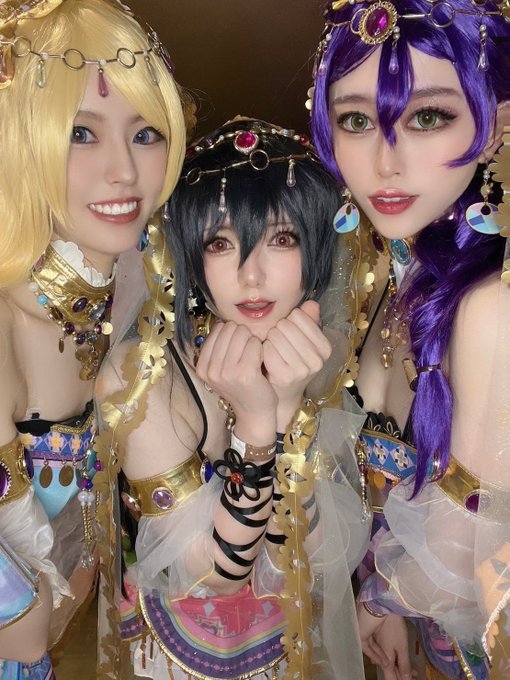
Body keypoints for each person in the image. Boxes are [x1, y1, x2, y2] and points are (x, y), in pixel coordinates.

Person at [98, 118, 370, 679]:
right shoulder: (142, 375)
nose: (252, 275)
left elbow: (313, 559)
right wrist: (256, 424)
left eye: (282, 238)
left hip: (284, 650)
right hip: (174, 656)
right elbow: (212, 577)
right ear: (190, 256)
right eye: (220, 244)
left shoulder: (316, 355)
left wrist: (289, 407)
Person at [309, 0, 510, 678]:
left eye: (427, 117)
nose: (384, 162)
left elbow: (462, 545)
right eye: (356, 120)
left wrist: (379, 599)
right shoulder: (394, 276)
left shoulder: (491, 306)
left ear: (496, 125)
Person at [0, 0, 186, 677]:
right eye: (81, 133)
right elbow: (23, 629)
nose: (125, 171)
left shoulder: (132, 291)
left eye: (146, 133)